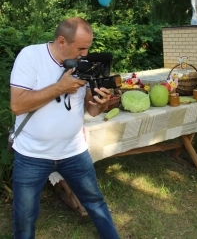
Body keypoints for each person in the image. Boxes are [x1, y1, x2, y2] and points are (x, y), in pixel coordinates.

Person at [10, 17, 120, 238]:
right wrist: (59, 88)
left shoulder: (82, 64)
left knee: (95, 202)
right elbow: (17, 105)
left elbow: (92, 110)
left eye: (88, 48)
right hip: (32, 154)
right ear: (62, 41)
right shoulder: (31, 57)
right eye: (81, 48)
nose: (85, 54)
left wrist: (101, 102)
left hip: (74, 151)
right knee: (25, 215)